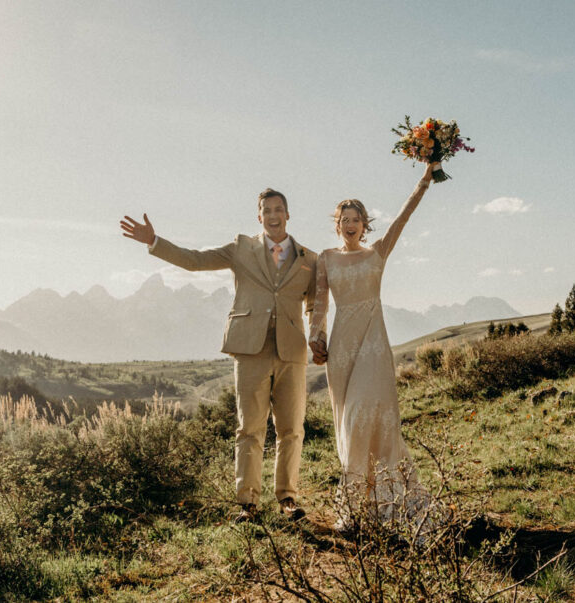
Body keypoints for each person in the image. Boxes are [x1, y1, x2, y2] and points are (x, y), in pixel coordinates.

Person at [120, 189, 317, 523]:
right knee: (249, 428)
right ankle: (248, 503)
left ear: (288, 214)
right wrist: (154, 241)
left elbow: (314, 304)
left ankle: (288, 498)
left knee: (291, 429)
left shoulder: (308, 259)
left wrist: (318, 335)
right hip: (249, 348)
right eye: (266, 210)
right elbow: (196, 261)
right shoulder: (241, 248)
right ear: (259, 216)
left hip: (292, 351)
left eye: (278, 209)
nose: (272, 215)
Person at [308, 162, 436, 533]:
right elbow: (319, 304)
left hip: (374, 346)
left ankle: (391, 501)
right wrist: (315, 337)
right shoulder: (326, 258)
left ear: (365, 224)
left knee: (374, 415)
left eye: (356, 219)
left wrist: (424, 180)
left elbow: (403, 217)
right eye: (344, 219)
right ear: (337, 224)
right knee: (349, 423)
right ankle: (356, 507)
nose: (350, 224)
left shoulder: (378, 251)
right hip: (342, 349)